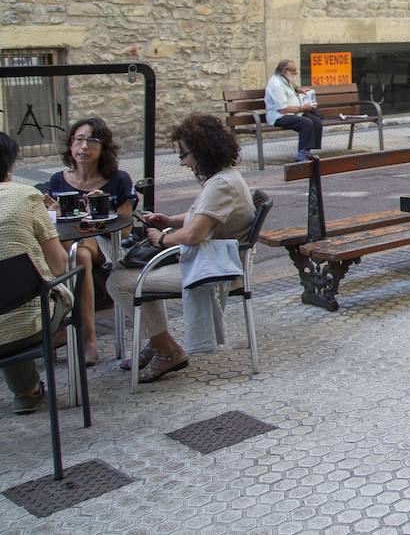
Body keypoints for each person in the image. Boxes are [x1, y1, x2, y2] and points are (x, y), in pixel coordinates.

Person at [106, 114, 256, 383]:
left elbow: (193, 234)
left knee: (120, 280)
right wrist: (169, 220)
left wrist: (160, 239)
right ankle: (157, 340)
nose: (183, 162)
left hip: (218, 270)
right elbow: (203, 218)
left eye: (184, 155)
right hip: (218, 259)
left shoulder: (220, 184)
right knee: (132, 275)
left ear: (201, 151)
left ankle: (168, 350)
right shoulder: (224, 177)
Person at [43, 118, 135, 365]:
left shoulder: (118, 179)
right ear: (70, 145)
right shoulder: (57, 181)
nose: (83, 146)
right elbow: (56, 227)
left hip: (105, 243)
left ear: (104, 147)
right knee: (46, 253)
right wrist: (55, 212)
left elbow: (125, 230)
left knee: (79, 255)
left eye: (91, 140)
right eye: (78, 139)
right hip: (68, 241)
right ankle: (55, 327)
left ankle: (88, 340)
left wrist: (101, 208)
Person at [0, 132, 72, 414]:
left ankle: (25, 391)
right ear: (10, 164)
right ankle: (30, 390)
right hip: (33, 324)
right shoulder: (25, 195)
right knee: (28, 302)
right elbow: (58, 265)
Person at [265, 59, 323, 162]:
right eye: (293, 70)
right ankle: (301, 156)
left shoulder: (284, 78)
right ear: (284, 71)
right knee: (306, 123)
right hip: (279, 116)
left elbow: (292, 84)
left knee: (316, 121)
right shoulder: (276, 85)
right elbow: (283, 109)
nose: (296, 73)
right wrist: (302, 108)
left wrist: (299, 89)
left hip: (293, 113)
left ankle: (307, 151)